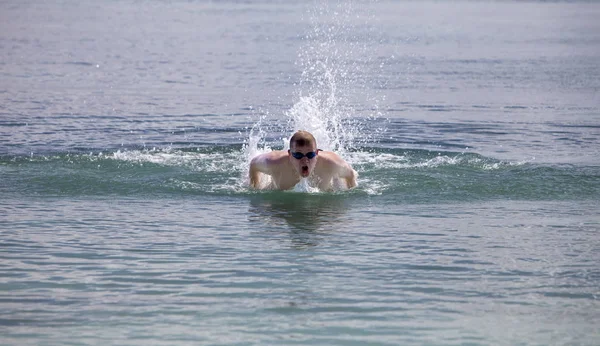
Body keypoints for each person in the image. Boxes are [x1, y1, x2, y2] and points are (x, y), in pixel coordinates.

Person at [249, 130, 357, 191]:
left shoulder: (331, 164)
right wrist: (255, 187)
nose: (305, 161)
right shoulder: (274, 163)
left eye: (310, 155)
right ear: (290, 155)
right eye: (298, 155)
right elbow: (253, 164)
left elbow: (351, 174)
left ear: (317, 154)